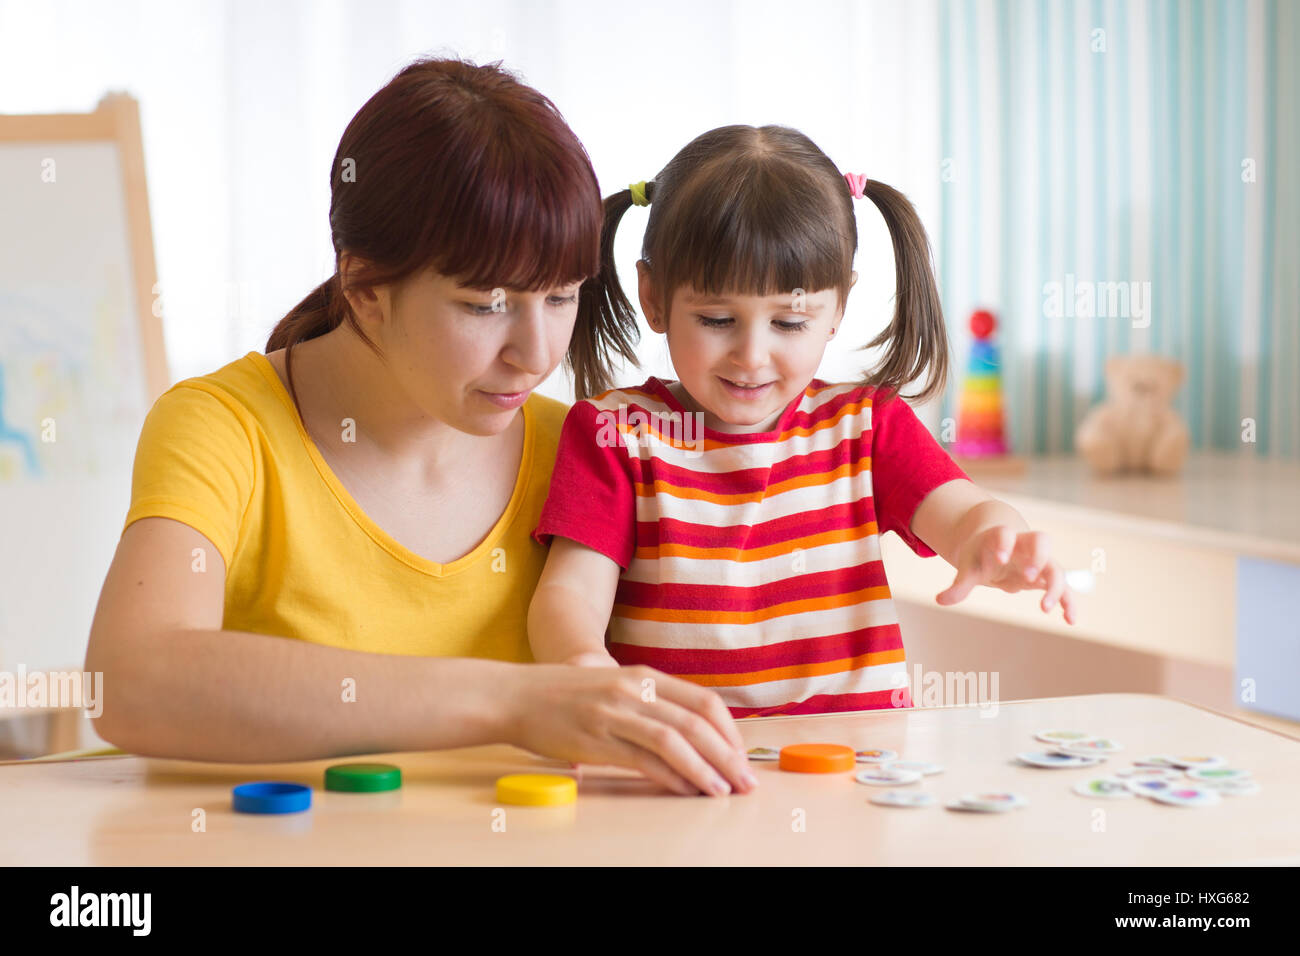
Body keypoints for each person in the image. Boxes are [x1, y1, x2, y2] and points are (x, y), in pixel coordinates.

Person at [85, 59, 757, 799]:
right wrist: (516, 701)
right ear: (366, 289)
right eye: (484, 305)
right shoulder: (226, 428)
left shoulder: (586, 450)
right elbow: (129, 681)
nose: (535, 355)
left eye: (563, 297)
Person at [528, 125, 1078, 717]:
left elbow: (963, 512)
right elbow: (570, 593)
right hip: (681, 769)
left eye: (789, 324)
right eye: (716, 319)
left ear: (838, 306)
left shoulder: (868, 428)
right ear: (655, 298)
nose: (752, 356)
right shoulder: (615, 434)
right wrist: (580, 665)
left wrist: (997, 539)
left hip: (853, 774)